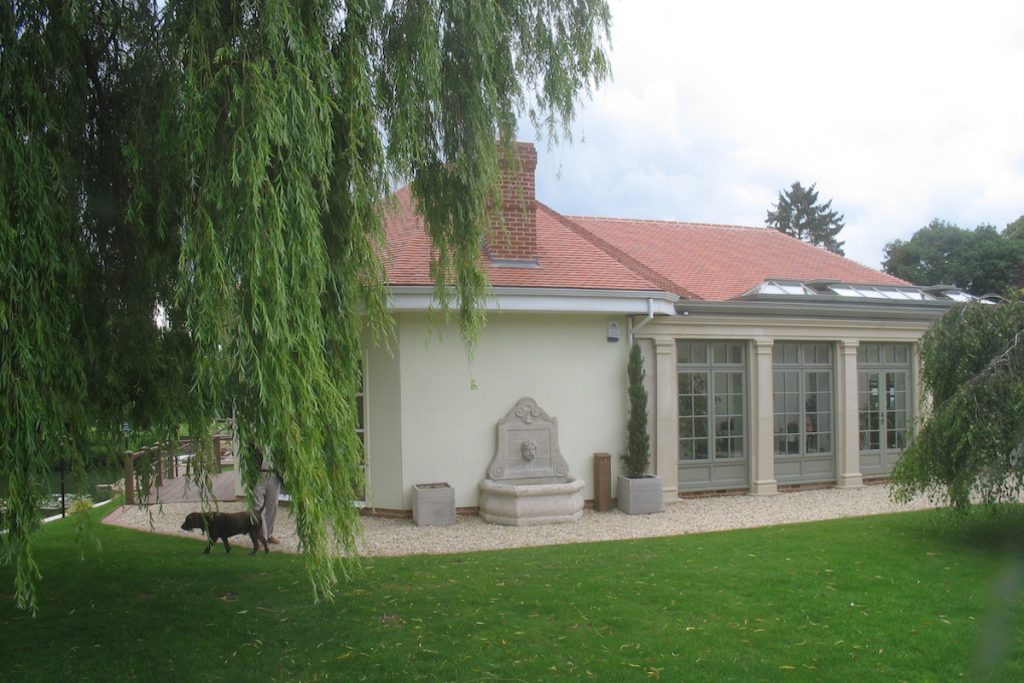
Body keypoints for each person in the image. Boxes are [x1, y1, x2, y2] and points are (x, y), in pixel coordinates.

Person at [251, 444, 282, 544]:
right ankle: (262, 535)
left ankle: (269, 535)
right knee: (257, 507)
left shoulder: (277, 440)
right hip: (258, 475)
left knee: (273, 506)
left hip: (273, 474)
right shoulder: (254, 438)